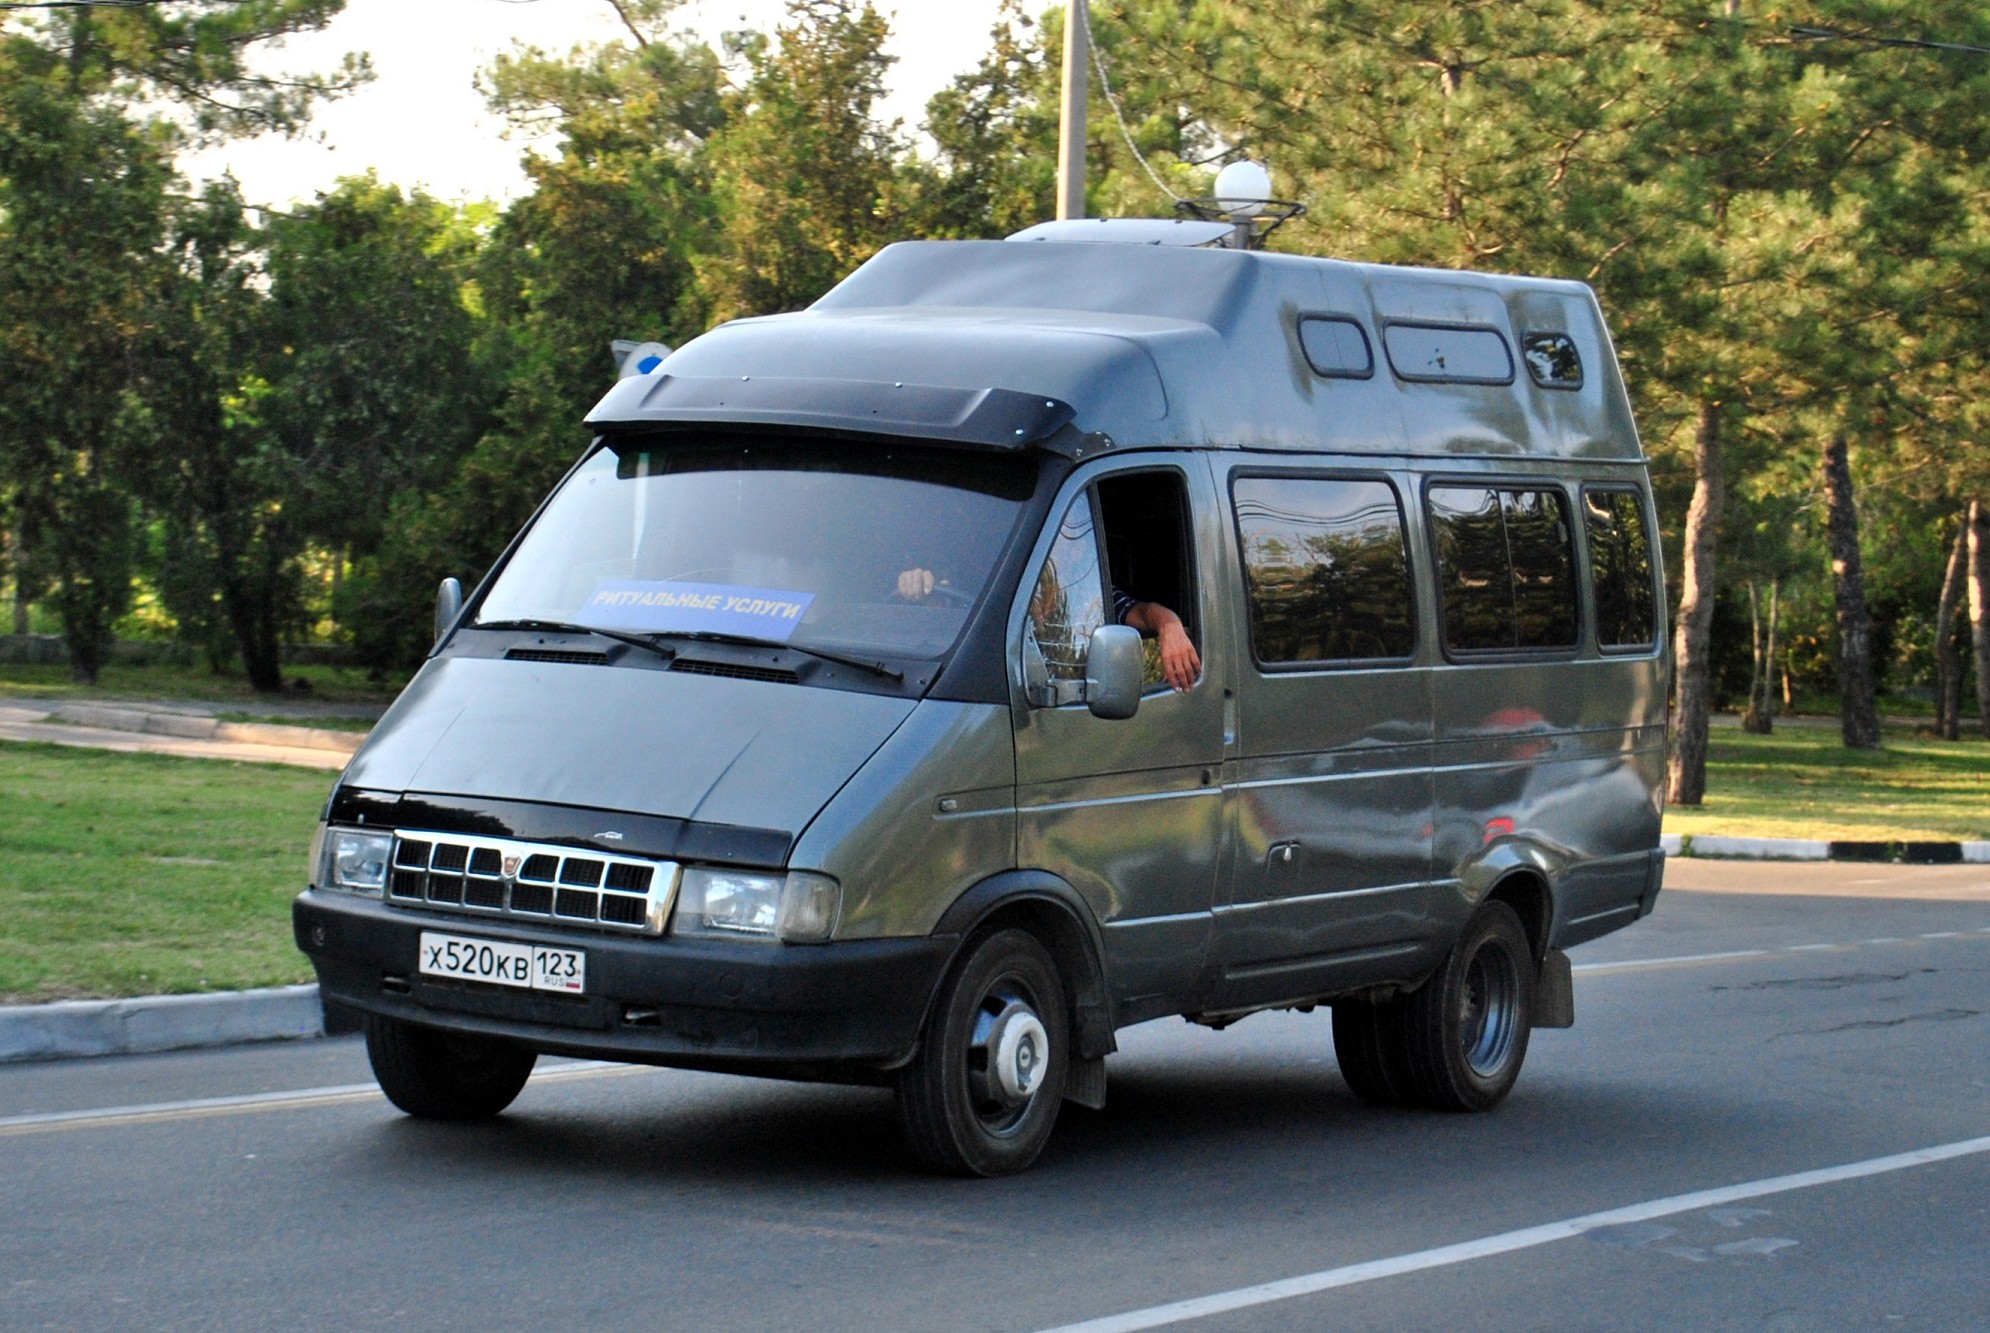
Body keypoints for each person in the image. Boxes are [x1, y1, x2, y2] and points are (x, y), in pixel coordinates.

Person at [897, 567, 1201, 693]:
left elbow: (1140, 612)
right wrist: (918, 583)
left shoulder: (1089, 591)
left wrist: (1169, 624)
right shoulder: (996, 587)